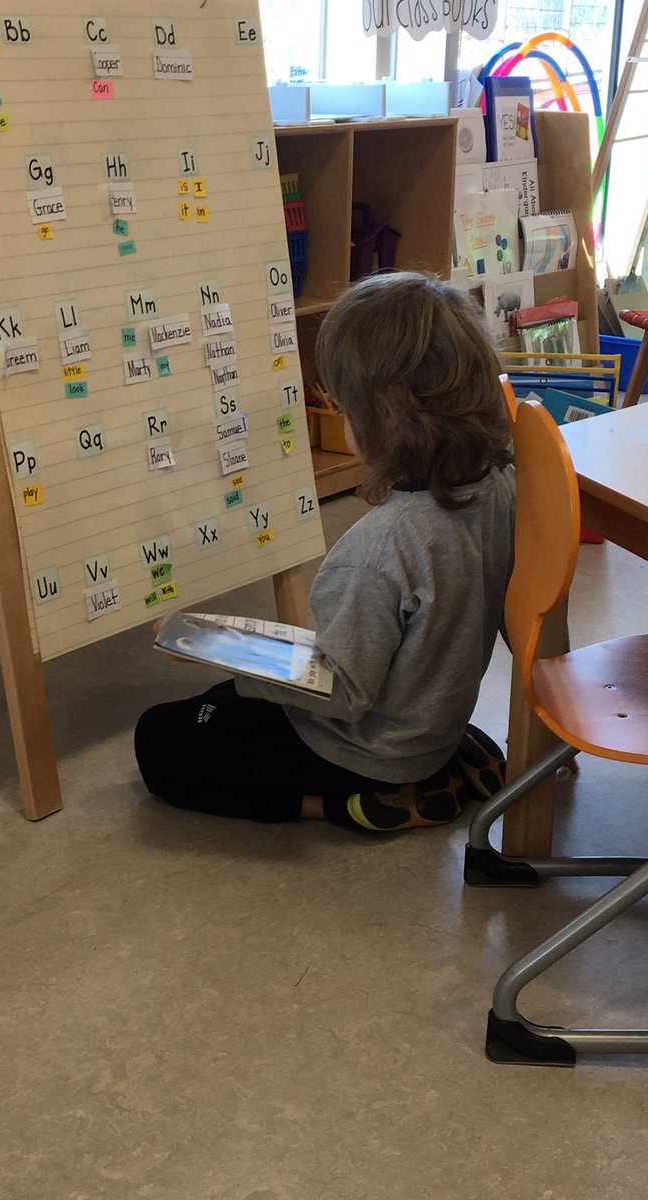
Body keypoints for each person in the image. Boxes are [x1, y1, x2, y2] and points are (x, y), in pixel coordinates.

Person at [134, 272, 515, 833]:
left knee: (161, 738)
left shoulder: (379, 547)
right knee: (226, 698)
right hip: (433, 725)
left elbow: (340, 690)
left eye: (342, 406)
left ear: (387, 416)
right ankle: (447, 767)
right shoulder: (502, 485)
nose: (338, 418)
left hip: (361, 751)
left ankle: (349, 804)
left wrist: (220, 650)